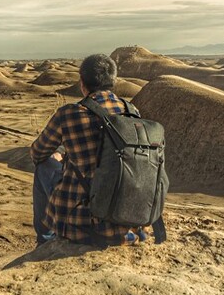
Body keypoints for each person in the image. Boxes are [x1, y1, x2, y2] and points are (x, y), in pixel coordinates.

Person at [30, 53, 162, 246]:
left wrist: (62, 155)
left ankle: (45, 241)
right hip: (129, 222)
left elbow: (37, 152)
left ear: (82, 83)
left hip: (81, 226)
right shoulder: (132, 112)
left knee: (44, 166)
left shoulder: (69, 114)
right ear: (114, 81)